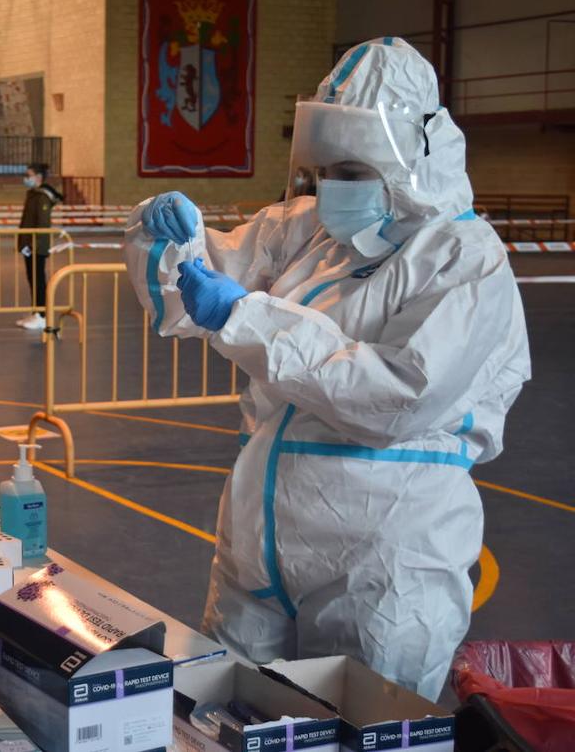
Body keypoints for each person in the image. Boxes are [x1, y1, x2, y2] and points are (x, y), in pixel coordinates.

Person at [123, 38, 531, 701]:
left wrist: (251, 319)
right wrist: (167, 238)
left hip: (383, 561)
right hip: (260, 546)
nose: (332, 185)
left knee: (365, 722)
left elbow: (397, 397)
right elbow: (194, 291)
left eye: (353, 166)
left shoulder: (462, 260)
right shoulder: (309, 232)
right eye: (326, 167)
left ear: (409, 157)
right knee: (225, 718)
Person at [16, 163, 63, 330]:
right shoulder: (33, 194)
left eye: (28, 175)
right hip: (29, 245)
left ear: (38, 177)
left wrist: (33, 245)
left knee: (38, 280)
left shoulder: (42, 197)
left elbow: (42, 225)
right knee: (32, 279)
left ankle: (42, 316)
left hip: (36, 246)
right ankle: (36, 311)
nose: (25, 178)